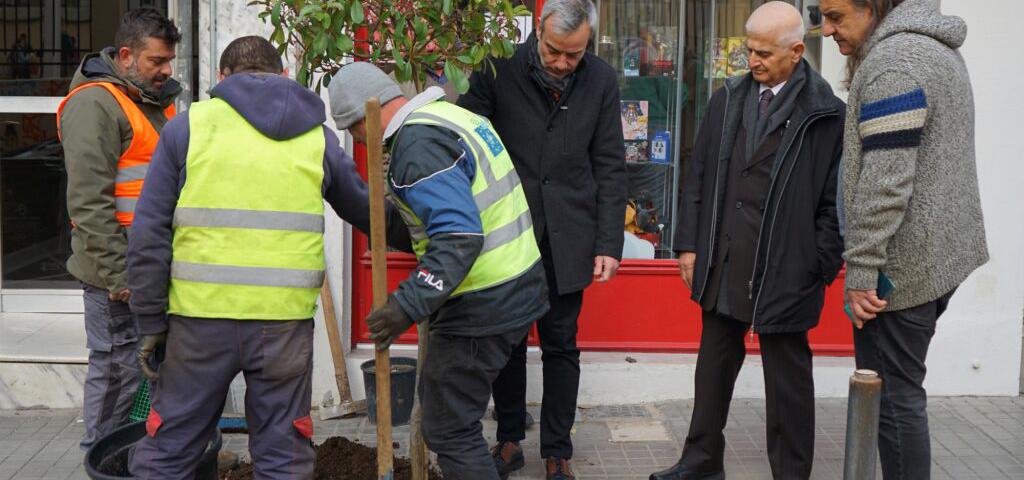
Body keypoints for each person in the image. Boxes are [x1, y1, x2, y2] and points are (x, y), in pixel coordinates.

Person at [125, 36, 381, 478]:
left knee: (170, 450)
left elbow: (148, 234)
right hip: (282, 327)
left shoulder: (188, 127)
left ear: (221, 79)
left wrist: (150, 321)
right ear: (283, 75)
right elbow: (365, 209)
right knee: (282, 456)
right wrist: (424, 228)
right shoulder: (315, 135)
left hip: (198, 324)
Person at [329, 61, 549, 480]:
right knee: (454, 420)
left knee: (449, 429)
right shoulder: (450, 115)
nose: (362, 142)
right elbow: (428, 223)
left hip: (484, 301)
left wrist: (404, 305)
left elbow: (457, 236)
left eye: (355, 132)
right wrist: (356, 203)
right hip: (515, 287)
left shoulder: (418, 146)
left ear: (363, 117)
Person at [652, 3, 846, 479]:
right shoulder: (729, 96)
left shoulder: (826, 115)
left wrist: (816, 264)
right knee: (712, 370)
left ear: (797, 51)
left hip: (787, 268)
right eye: (748, 49)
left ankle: (791, 473)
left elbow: (835, 203)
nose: (752, 60)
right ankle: (699, 463)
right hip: (725, 258)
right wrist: (689, 245)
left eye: (762, 52)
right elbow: (698, 174)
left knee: (788, 384)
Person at [457, 1, 627, 477]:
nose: (561, 64)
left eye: (574, 55)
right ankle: (509, 438)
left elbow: (611, 165)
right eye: (554, 51)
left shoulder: (601, 80)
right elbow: (466, 142)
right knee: (507, 343)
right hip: (508, 231)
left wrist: (608, 243)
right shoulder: (496, 69)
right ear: (538, 30)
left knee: (561, 345)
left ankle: (558, 451)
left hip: (569, 237)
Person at [821, 0, 989, 478]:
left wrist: (861, 270)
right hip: (937, 257)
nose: (827, 29)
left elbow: (885, 183)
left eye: (836, 16)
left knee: (893, 402)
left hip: (901, 269)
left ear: (872, 8)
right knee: (902, 395)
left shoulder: (895, 64)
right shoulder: (933, 50)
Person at [56, 7, 181, 452]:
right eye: (157, 62)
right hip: (117, 277)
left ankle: (134, 457)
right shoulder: (95, 104)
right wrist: (120, 277)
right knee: (116, 373)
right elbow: (89, 204)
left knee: (140, 374)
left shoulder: (145, 99)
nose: (166, 70)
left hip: (145, 266)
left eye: (170, 61)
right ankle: (101, 459)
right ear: (126, 56)